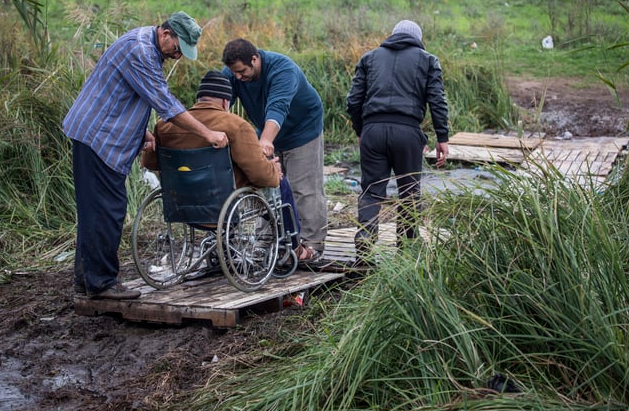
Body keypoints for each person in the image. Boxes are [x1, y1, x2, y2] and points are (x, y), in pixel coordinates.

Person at [63, 11, 229, 300]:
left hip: (97, 132)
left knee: (96, 210)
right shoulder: (140, 51)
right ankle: (101, 283)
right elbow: (164, 102)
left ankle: (86, 279)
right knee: (108, 209)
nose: (177, 57)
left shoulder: (145, 45)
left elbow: (123, 94)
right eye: (177, 49)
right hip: (98, 138)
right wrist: (208, 134)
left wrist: (142, 132)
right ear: (165, 34)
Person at [141, 70, 317, 263]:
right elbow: (260, 175)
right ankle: (294, 248)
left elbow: (150, 163)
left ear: (199, 99)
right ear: (226, 102)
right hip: (221, 206)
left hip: (181, 207)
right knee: (279, 183)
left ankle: (227, 248)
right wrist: (273, 170)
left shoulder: (165, 125)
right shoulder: (236, 125)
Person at [346, 19, 449, 260]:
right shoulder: (428, 60)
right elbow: (437, 100)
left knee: (371, 190)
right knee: (410, 192)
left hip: (373, 130)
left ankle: (365, 239)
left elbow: (353, 101)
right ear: (418, 39)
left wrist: (361, 130)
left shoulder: (369, 58)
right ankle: (406, 247)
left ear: (392, 35)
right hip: (407, 132)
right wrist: (442, 136)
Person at [221, 38, 328, 259]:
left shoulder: (282, 69)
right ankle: (265, 241)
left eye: (242, 72)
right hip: (266, 129)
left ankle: (312, 244)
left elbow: (278, 106)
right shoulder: (232, 73)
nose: (238, 78)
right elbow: (220, 104)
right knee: (264, 186)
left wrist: (266, 141)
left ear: (255, 58)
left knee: (303, 188)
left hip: (302, 129)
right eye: (235, 73)